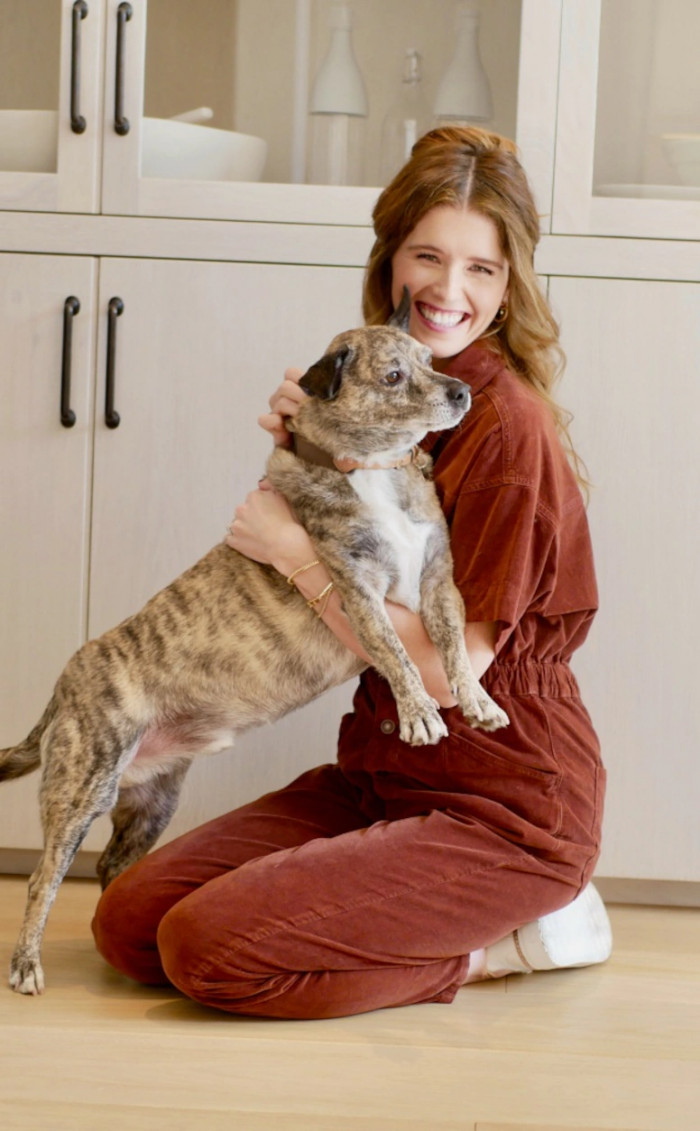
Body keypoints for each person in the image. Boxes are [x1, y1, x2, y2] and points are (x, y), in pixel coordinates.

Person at [92, 127, 611, 1018]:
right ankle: (390, 888)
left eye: (482, 269)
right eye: (429, 257)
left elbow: (454, 677)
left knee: (207, 952)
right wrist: (311, 457)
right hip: (382, 775)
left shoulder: (507, 430)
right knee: (130, 924)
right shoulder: (377, 388)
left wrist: (296, 553)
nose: (450, 292)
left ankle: (520, 936)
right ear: (391, 261)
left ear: (510, 280)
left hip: (505, 800)